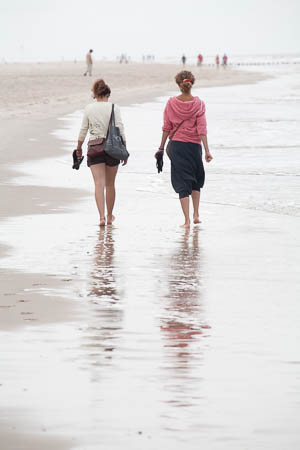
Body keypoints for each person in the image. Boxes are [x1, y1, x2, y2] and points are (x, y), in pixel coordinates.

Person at [155, 71, 213, 228]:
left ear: (178, 84)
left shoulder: (171, 103)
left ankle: (186, 220)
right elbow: (202, 129)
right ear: (191, 83)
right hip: (194, 147)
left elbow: (166, 127)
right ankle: (196, 215)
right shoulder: (199, 104)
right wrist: (207, 150)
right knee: (195, 180)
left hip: (177, 147)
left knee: (182, 182)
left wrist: (161, 148)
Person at [76, 79, 127, 226]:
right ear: (107, 94)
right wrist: (124, 147)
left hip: (95, 147)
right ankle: (110, 216)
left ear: (95, 94)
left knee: (99, 184)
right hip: (113, 148)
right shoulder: (114, 107)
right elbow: (120, 128)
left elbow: (83, 130)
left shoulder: (89, 108)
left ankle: (101, 218)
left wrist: (78, 147)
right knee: (110, 185)